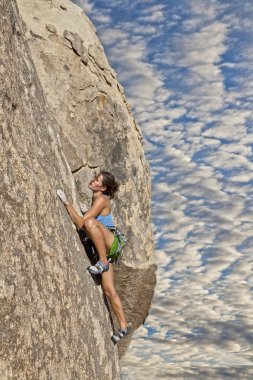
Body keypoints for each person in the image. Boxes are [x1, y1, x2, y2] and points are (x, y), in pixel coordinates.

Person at [57, 171, 131, 343]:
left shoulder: (102, 199)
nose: (92, 180)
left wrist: (67, 203)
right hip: (107, 248)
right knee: (109, 290)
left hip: (110, 245)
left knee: (89, 223)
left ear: (103, 188)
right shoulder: (96, 200)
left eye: (96, 180)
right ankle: (124, 326)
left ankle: (102, 262)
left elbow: (82, 223)